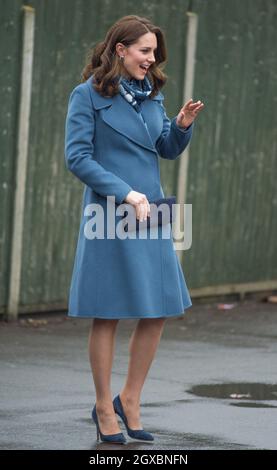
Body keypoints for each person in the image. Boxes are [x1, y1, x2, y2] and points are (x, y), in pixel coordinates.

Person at [64, 14, 204, 444]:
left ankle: (132, 398)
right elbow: (78, 157)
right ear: (120, 50)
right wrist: (125, 193)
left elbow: (163, 148)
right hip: (111, 212)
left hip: (153, 212)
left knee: (158, 309)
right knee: (107, 314)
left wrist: (180, 125)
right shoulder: (86, 96)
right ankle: (104, 406)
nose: (151, 59)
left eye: (154, 52)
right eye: (144, 51)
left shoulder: (151, 95)